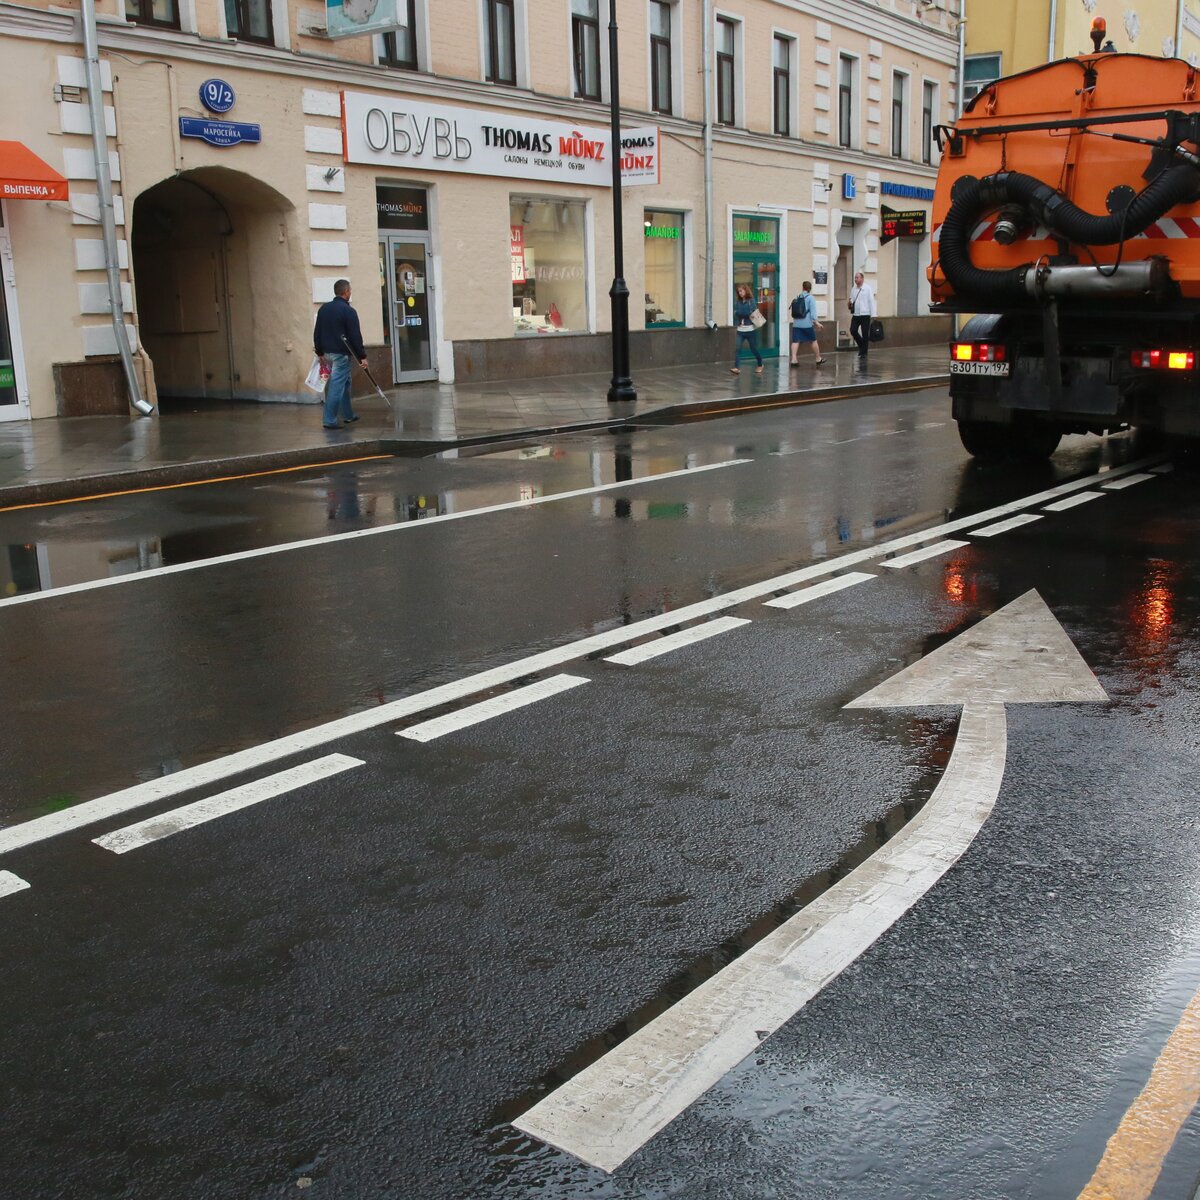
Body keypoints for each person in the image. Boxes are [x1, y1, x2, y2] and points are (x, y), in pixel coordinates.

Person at [313, 279, 368, 429]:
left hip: (327, 353)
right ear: (346, 292)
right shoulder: (349, 311)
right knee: (336, 387)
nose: (351, 292)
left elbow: (317, 331)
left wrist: (319, 352)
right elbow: (355, 336)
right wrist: (361, 356)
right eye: (350, 290)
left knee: (345, 382)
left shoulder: (324, 309)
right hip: (341, 354)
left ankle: (348, 414)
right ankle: (329, 420)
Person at [789, 281, 826, 366]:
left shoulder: (797, 296)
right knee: (813, 341)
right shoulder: (810, 298)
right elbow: (813, 313)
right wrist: (817, 323)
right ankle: (818, 358)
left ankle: (794, 360)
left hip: (796, 323)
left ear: (803, 287)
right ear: (810, 288)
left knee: (795, 341)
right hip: (807, 324)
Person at [731, 283, 763, 375]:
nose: (740, 293)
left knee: (753, 349)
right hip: (740, 329)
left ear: (746, 290)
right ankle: (737, 368)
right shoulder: (738, 302)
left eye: (741, 291)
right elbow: (736, 313)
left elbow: (750, 313)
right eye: (739, 292)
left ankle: (760, 364)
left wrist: (741, 313)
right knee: (737, 348)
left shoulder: (751, 301)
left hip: (750, 330)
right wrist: (741, 313)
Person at [849, 271, 877, 358]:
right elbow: (851, 299)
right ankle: (862, 345)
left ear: (862, 279)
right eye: (855, 278)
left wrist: (873, 314)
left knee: (865, 333)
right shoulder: (853, 289)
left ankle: (864, 353)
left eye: (857, 277)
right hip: (856, 314)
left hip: (865, 314)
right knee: (853, 330)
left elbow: (871, 301)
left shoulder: (867, 288)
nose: (855, 279)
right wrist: (850, 302)